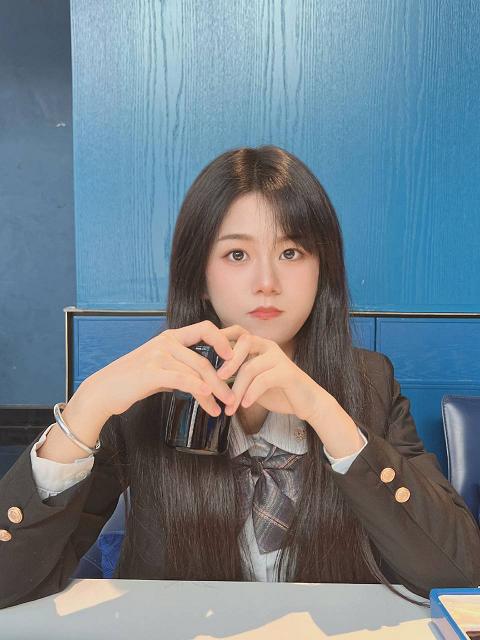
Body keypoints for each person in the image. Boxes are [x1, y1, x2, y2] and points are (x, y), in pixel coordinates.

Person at [1, 145, 479, 611]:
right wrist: (86, 409)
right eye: (236, 255)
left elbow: (460, 575)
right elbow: (10, 583)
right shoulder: (151, 391)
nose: (267, 282)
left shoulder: (370, 382)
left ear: (322, 271)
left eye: (290, 252)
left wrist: (327, 414)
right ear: (200, 277)